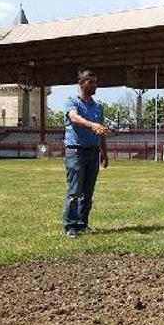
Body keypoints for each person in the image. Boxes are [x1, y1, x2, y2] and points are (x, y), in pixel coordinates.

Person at [63, 69, 109, 239]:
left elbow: (101, 130)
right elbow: (74, 118)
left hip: (93, 152)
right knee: (74, 191)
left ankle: (83, 223)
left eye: (96, 82)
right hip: (76, 152)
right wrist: (91, 125)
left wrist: (104, 151)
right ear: (81, 83)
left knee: (88, 192)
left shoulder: (98, 107)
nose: (95, 85)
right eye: (91, 82)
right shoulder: (72, 101)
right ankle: (71, 225)